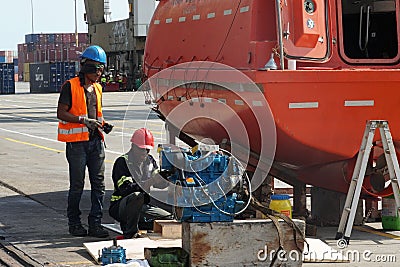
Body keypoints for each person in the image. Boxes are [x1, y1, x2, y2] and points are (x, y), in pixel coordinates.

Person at [57, 45, 113, 238]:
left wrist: (102, 124)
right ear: (86, 67)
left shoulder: (97, 88)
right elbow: (61, 112)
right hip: (77, 144)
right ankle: (74, 223)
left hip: (95, 141)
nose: (99, 73)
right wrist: (82, 120)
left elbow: (96, 113)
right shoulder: (70, 86)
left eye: (101, 69)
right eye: (96, 69)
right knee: (77, 185)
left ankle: (95, 224)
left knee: (99, 185)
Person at [109, 128, 172, 239]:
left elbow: (160, 185)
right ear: (133, 147)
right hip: (121, 206)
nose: (144, 153)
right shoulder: (123, 162)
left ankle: (138, 224)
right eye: (141, 149)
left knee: (168, 220)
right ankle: (130, 233)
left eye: (147, 150)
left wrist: (166, 178)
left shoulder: (150, 161)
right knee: (137, 196)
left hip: (142, 206)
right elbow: (127, 189)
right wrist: (151, 181)